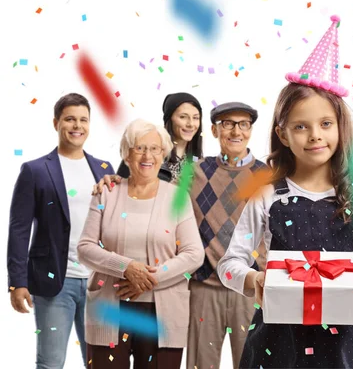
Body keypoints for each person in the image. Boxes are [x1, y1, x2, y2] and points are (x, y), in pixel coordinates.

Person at [217, 15, 353, 369]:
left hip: (345, 341)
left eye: (325, 124)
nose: (315, 135)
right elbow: (229, 264)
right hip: (277, 341)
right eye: (301, 126)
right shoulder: (267, 195)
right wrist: (253, 277)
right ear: (283, 134)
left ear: (340, 128)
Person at [77, 118, 204, 368]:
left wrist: (149, 280)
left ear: (163, 154)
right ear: (126, 154)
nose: (147, 155)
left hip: (162, 311)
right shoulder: (107, 192)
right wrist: (126, 268)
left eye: (155, 148)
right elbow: (85, 249)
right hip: (110, 308)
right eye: (139, 147)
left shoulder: (177, 197)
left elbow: (193, 254)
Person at [7, 93, 114, 369]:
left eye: (83, 120)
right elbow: (19, 229)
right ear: (56, 123)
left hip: (98, 283)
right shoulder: (35, 170)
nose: (77, 126)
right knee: (51, 362)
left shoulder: (104, 169)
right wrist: (17, 282)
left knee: (100, 362)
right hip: (54, 282)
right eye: (69, 119)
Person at [186, 102, 268, 369]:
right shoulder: (194, 172)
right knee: (201, 364)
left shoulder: (268, 175)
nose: (236, 131)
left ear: (251, 130)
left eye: (244, 124)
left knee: (251, 363)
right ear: (213, 130)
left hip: (250, 286)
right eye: (228, 124)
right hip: (204, 287)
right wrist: (116, 179)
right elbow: (150, 183)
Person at [102, 92, 203, 186]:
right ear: (169, 119)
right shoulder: (144, 149)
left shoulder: (199, 162)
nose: (191, 124)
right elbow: (119, 186)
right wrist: (110, 182)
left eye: (196, 118)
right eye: (183, 117)